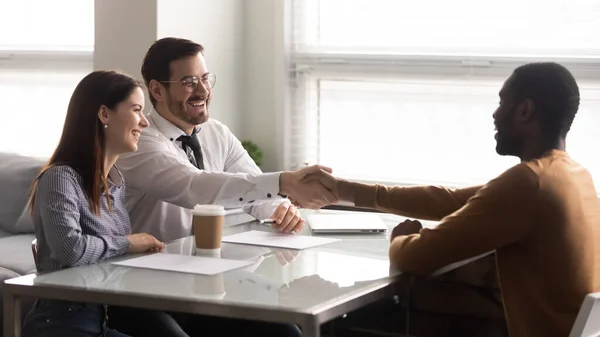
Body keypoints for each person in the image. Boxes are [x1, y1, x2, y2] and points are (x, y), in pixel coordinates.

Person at [307, 62, 600, 337]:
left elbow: (415, 257)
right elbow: (447, 200)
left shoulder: (529, 182)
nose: (495, 114)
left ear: (524, 110)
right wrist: (343, 190)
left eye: (501, 102)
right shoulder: (572, 175)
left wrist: (401, 238)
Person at [109, 37, 325, 336]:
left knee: (286, 331)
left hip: (207, 282)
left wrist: (280, 208)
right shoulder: (139, 141)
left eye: (205, 78)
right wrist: (282, 182)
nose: (203, 91)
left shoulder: (216, 133)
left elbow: (252, 189)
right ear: (157, 90)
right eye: (188, 81)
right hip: (143, 287)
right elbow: (194, 187)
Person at [21, 70, 165, 337]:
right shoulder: (59, 178)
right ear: (104, 114)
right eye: (136, 110)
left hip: (107, 313)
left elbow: (109, 257)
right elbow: (71, 250)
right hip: (65, 323)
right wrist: (129, 243)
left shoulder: (115, 183)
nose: (144, 122)